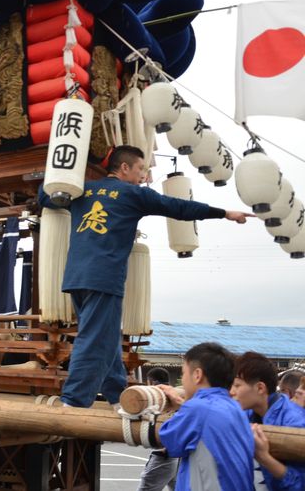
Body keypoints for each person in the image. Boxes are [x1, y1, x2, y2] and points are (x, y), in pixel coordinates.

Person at [39, 145, 253, 408]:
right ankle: (73, 402)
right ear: (124, 167)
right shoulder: (134, 194)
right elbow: (179, 207)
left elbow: (45, 197)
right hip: (105, 277)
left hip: (76, 277)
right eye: (141, 168)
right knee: (94, 339)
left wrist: (58, 174)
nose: (144, 175)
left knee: (106, 336)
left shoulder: (83, 189)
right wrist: (224, 213)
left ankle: (117, 396)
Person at [157, 342, 254, 491]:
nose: (183, 379)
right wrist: (182, 405)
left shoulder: (197, 408)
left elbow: (170, 442)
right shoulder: (235, 408)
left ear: (197, 375)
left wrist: (154, 412)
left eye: (183, 373)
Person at [231, 351, 305, 490]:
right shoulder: (249, 412)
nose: (231, 392)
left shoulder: (295, 422)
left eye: (237, 385)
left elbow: (300, 484)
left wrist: (264, 457)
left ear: (260, 388)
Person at [137, 368, 178, 491]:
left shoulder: (158, 398)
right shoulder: (175, 396)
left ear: (153, 382)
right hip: (175, 456)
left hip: (164, 454)